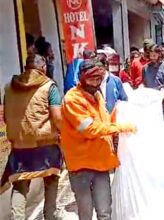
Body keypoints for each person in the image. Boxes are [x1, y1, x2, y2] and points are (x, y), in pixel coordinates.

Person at [60, 59, 136, 220]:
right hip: (81, 164)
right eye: (91, 79)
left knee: (104, 211)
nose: (95, 83)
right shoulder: (73, 99)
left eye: (98, 79)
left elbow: (104, 120)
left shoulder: (97, 95)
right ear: (82, 78)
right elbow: (89, 129)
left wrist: (117, 115)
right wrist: (119, 127)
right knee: (86, 212)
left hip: (101, 161)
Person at [1, 54, 62, 220]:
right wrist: (63, 133)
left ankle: (17, 218)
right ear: (42, 67)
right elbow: (57, 116)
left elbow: (6, 116)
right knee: (51, 179)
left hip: (20, 145)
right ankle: (50, 215)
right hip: (46, 144)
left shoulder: (9, 87)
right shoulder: (49, 86)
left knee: (20, 184)